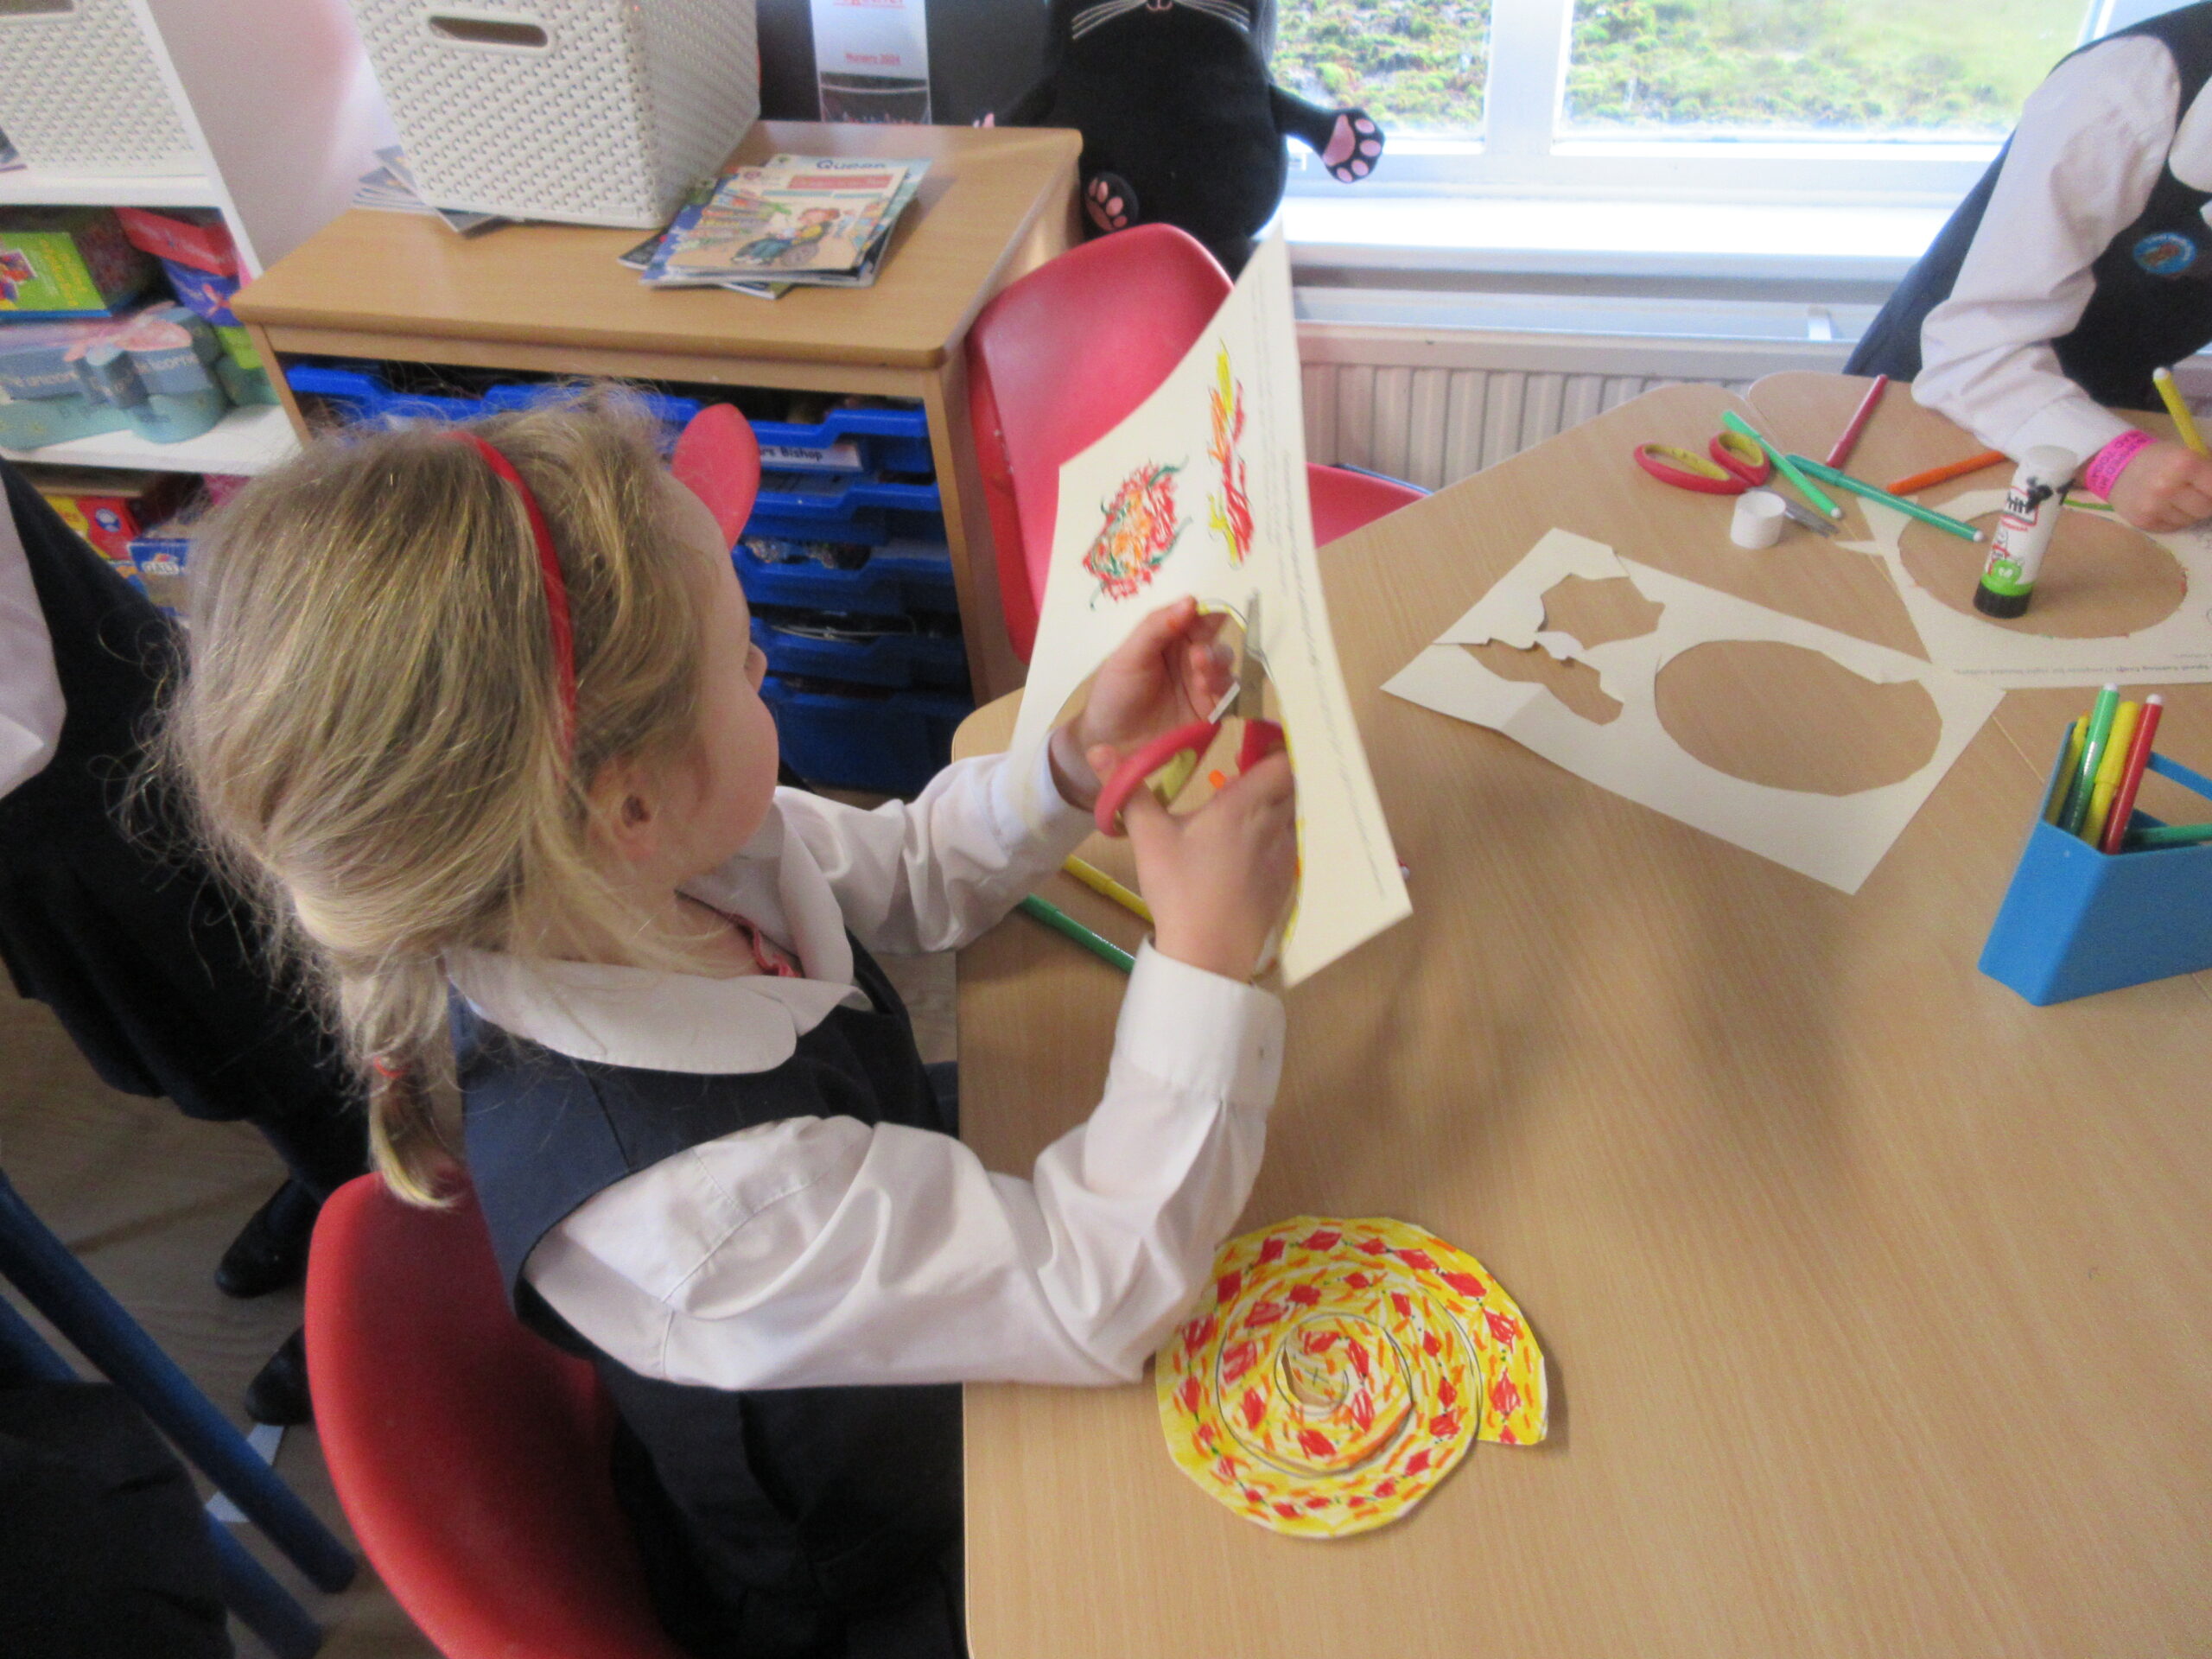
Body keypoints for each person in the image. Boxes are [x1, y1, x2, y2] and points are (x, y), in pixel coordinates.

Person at [157, 388, 1299, 1659]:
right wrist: (1207, 958)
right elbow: (1102, 1294)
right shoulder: (704, 1209)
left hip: (902, 1262)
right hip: (893, 1549)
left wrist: (1071, 762)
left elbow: (912, 870)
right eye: (743, 655)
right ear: (628, 805)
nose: (765, 671)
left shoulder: (628, 862)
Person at [0, 461, 366, 1427]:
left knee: (255, 1020)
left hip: (95, 779)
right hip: (43, 824)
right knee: (207, 1041)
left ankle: (389, 1215)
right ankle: (331, 1173)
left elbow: (18, 717)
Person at [1847, 2, 2212, 533]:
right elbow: (1973, 349)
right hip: (1949, 395)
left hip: (2115, 417)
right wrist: (2112, 458)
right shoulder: (2125, 93)